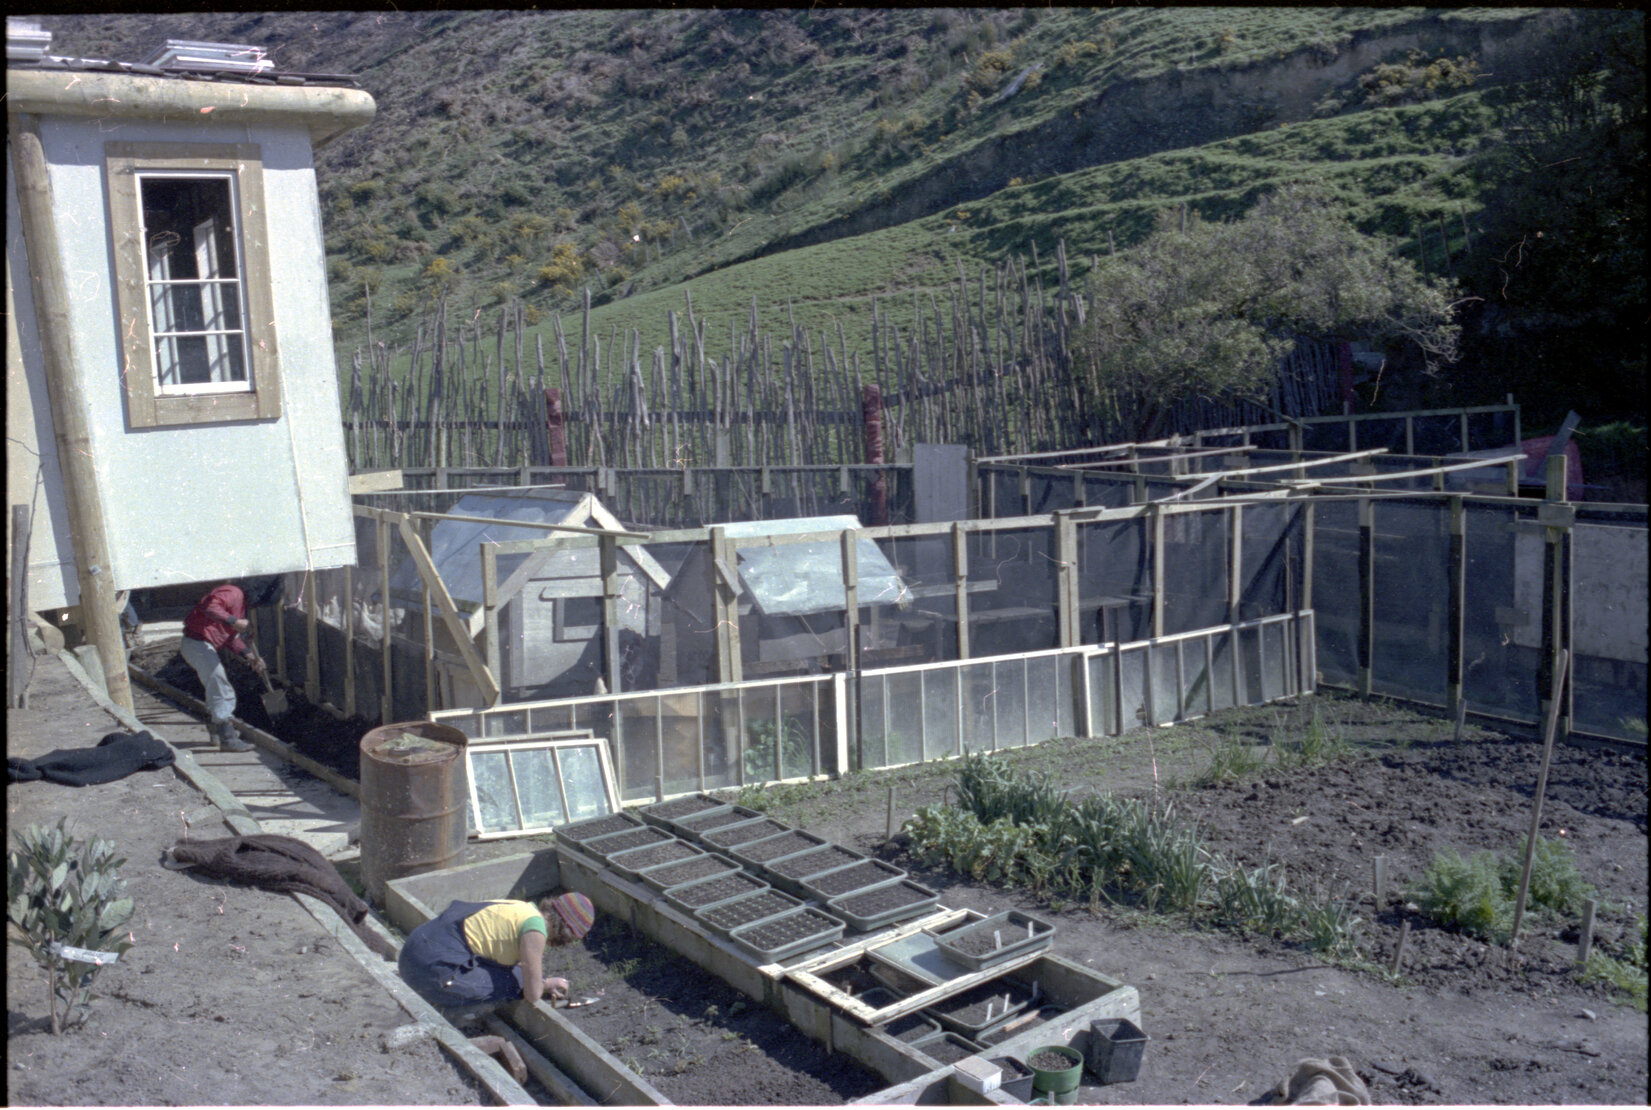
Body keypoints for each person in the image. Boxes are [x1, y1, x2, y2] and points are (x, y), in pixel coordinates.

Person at [398, 893, 596, 1013]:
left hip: (413, 949)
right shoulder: (536, 932)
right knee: (514, 984)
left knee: (516, 973)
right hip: (426, 971)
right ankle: (456, 1015)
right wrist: (544, 984)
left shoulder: (521, 908)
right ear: (567, 934)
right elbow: (533, 994)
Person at [180, 578, 280, 752]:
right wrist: (234, 621)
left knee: (216, 685)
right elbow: (209, 606)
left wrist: (249, 655)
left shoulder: (240, 603)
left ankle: (217, 732)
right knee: (220, 686)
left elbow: (230, 638)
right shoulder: (233, 592)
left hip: (202, 644)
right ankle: (227, 738)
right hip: (196, 643)